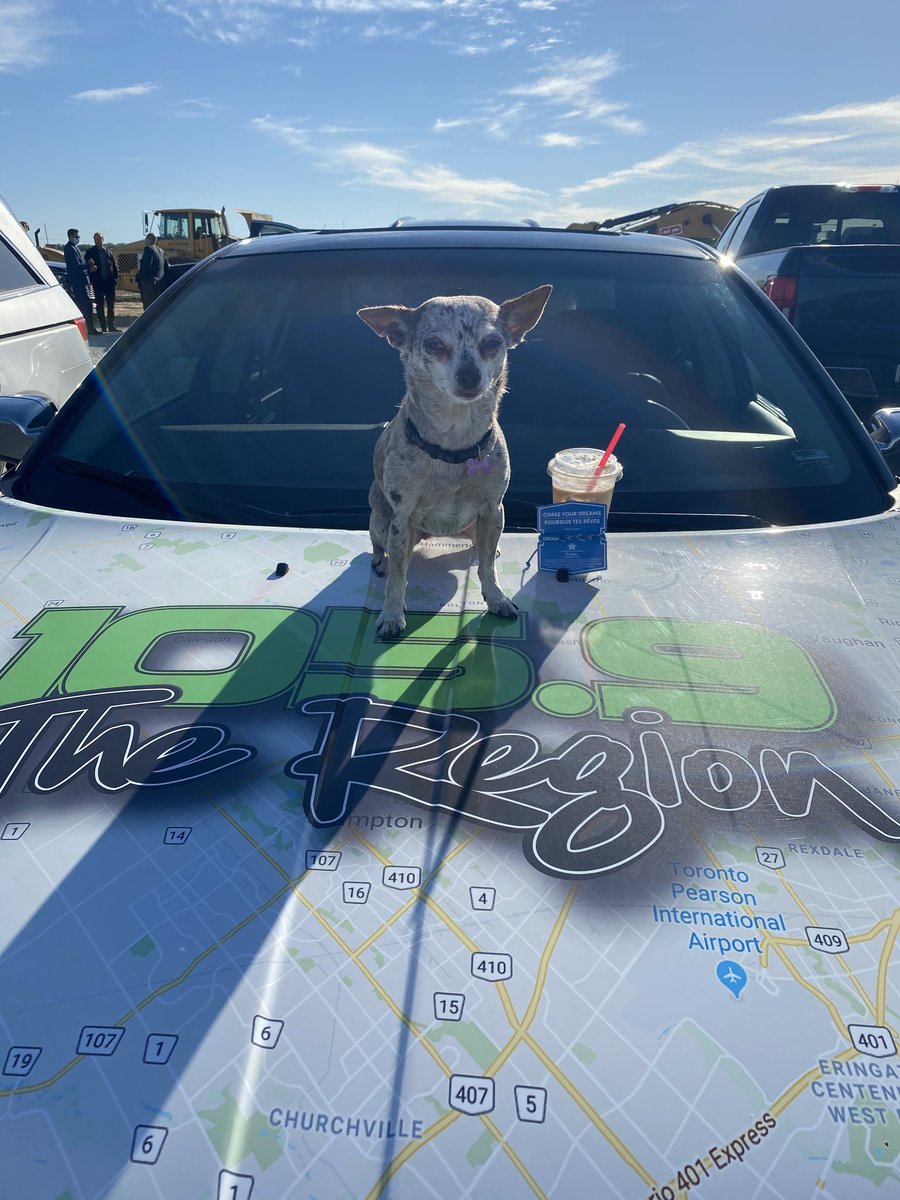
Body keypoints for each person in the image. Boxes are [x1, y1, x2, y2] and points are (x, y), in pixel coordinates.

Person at [63, 228, 98, 334]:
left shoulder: (75, 248)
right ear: (70, 236)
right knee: (85, 306)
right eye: (76, 236)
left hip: (84, 281)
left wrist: (89, 268)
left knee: (88, 305)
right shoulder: (69, 248)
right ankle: (88, 329)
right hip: (78, 282)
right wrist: (88, 265)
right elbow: (75, 266)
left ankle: (90, 328)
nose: (78, 238)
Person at [84, 232, 120, 333]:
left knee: (110, 305)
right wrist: (91, 269)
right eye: (96, 239)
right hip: (98, 283)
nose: (98, 241)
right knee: (100, 305)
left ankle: (111, 325)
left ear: (103, 239)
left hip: (109, 283)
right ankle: (103, 326)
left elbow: (114, 267)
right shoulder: (90, 252)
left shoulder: (108, 252)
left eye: (99, 239)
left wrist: (115, 279)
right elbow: (87, 266)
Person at [135, 233, 168, 310]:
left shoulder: (149, 249)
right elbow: (166, 267)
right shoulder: (162, 252)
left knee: (148, 307)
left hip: (149, 284)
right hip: (159, 283)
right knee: (157, 308)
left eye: (146, 239)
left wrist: (138, 277)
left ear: (149, 239)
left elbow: (146, 267)